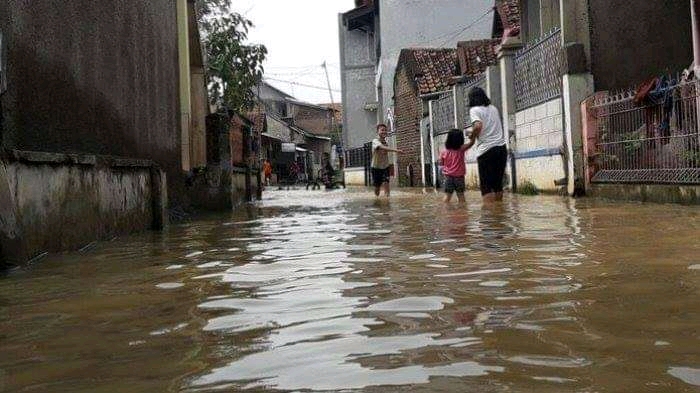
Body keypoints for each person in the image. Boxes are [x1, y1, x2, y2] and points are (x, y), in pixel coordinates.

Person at [464, 87, 507, 203]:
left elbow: (478, 126)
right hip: (501, 149)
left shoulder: (474, 110)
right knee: (498, 184)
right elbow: (488, 127)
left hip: (486, 151)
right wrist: (473, 132)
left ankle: (489, 219)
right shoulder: (493, 109)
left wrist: (472, 135)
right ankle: (499, 215)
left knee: (486, 187)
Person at [439, 129, 470, 203]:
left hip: (448, 177)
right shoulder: (462, 149)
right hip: (459, 177)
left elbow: (441, 163)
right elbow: (471, 143)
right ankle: (463, 212)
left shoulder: (444, 152)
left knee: (447, 197)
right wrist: (471, 135)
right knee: (461, 196)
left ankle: (445, 212)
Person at [371, 124, 402, 197]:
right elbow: (382, 147)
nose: (384, 132)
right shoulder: (375, 141)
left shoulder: (386, 142)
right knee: (377, 187)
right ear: (377, 132)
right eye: (382, 130)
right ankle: (377, 200)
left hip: (385, 167)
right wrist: (396, 150)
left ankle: (387, 200)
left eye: (385, 130)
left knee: (386, 183)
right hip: (376, 167)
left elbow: (385, 151)